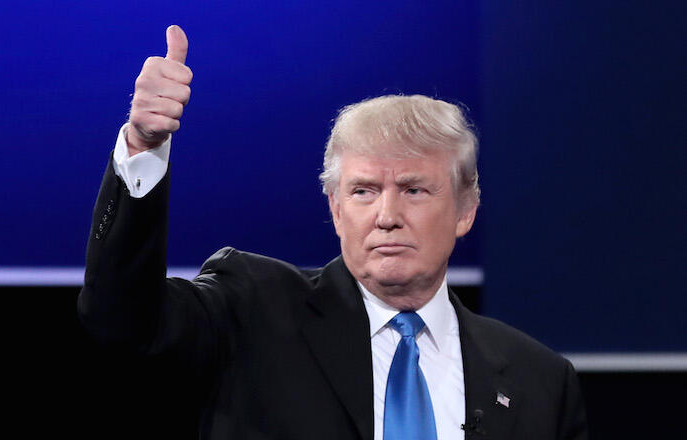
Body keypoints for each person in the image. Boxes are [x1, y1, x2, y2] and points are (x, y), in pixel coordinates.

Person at [78, 25, 588, 440]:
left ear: (466, 209)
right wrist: (143, 146)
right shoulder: (252, 311)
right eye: (364, 191)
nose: (386, 215)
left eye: (414, 190)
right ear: (336, 209)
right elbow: (121, 322)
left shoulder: (539, 381)